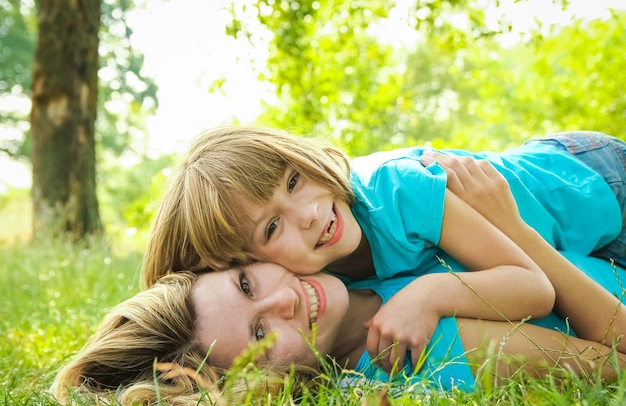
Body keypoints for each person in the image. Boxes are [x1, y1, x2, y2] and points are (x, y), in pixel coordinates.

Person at [141, 127, 626, 369]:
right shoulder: (320, 289)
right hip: (584, 258)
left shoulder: (396, 192)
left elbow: (533, 289)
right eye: (271, 227)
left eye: (293, 180)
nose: (307, 213)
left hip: (596, 186)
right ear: (252, 260)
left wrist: (428, 295)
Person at [52, 253, 626, 406]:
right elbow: (612, 368)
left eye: (247, 284)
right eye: (261, 337)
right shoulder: (425, 353)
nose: (285, 298)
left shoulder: (356, 249)